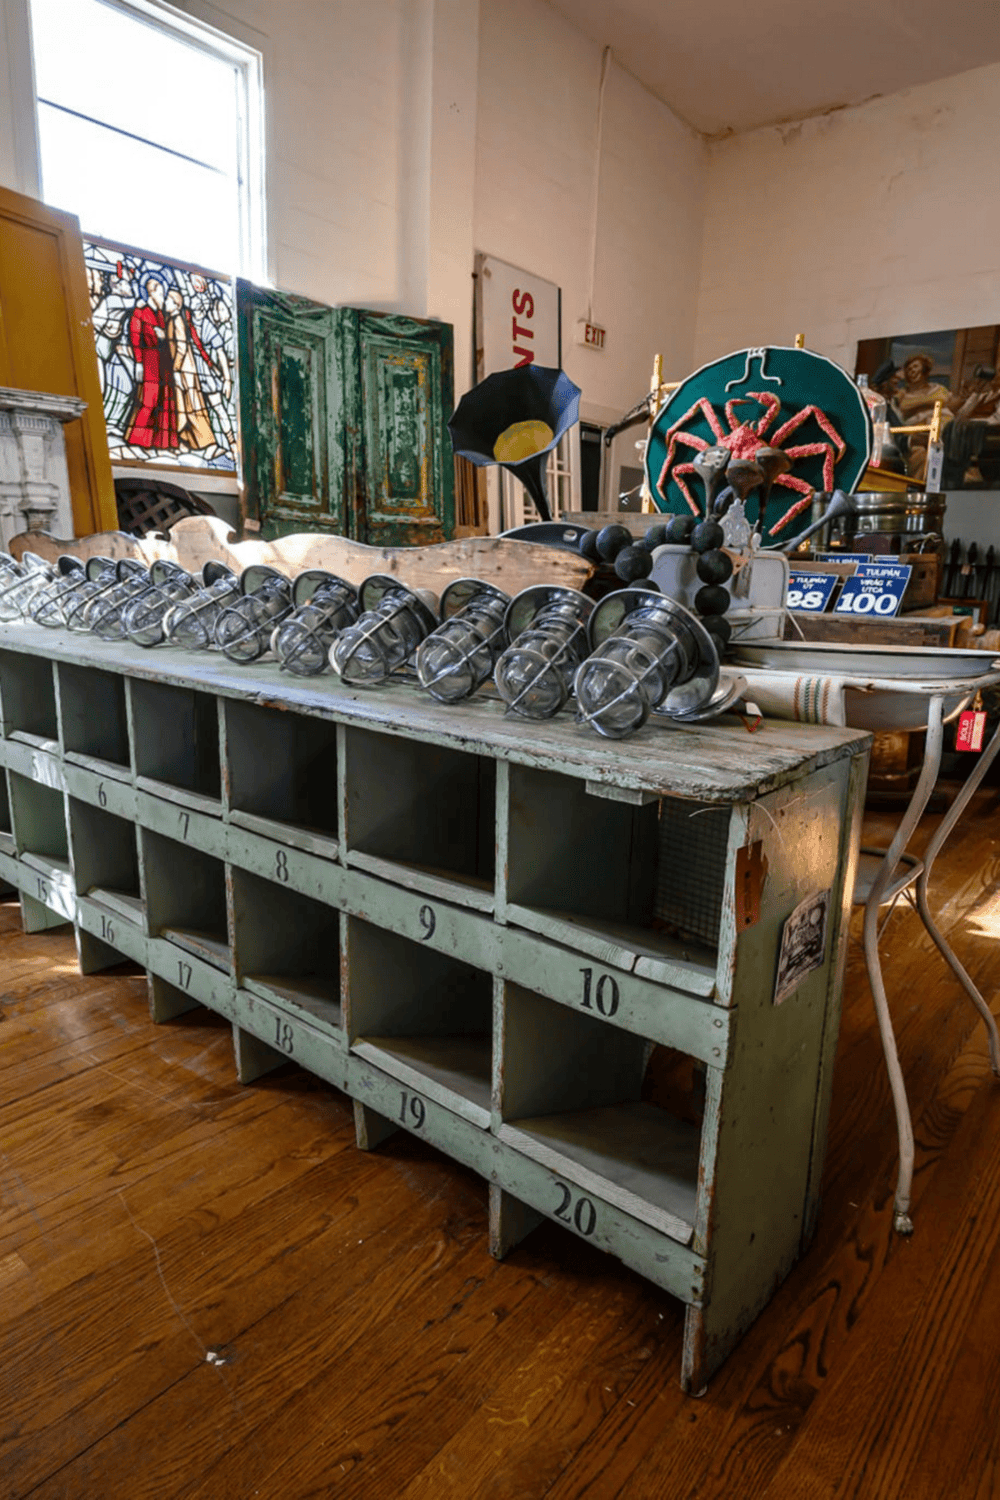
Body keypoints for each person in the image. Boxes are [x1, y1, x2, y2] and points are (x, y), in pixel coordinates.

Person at [124, 275, 178, 451]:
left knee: (165, 399)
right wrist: (138, 363)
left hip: (164, 361)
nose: (163, 297)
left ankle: (161, 441)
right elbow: (135, 338)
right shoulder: (140, 313)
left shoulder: (162, 316)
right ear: (151, 293)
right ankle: (138, 438)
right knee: (150, 398)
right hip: (150, 360)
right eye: (161, 293)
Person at [165, 288, 215, 452]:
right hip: (181, 368)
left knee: (192, 405)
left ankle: (206, 441)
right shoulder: (172, 320)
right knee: (185, 405)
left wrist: (176, 370)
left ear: (176, 305)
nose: (165, 303)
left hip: (185, 369)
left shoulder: (178, 320)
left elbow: (181, 347)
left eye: (168, 300)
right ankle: (187, 439)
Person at [894, 353, 952, 483]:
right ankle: (920, 486)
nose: (912, 371)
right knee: (922, 451)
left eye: (915, 367)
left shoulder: (938, 388)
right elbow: (903, 410)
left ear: (925, 370)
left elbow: (946, 401)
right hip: (916, 430)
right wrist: (929, 403)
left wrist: (919, 405)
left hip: (942, 428)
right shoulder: (902, 394)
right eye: (909, 369)